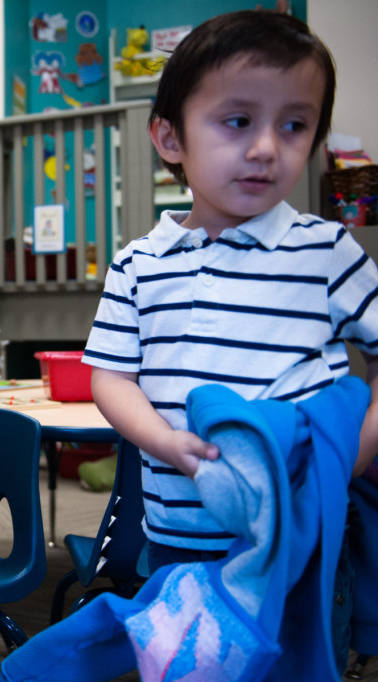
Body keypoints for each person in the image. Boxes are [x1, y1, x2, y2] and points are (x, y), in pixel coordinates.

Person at [82, 10, 378, 573]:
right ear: (171, 137)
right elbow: (112, 378)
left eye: (294, 125)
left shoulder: (326, 251)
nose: (268, 147)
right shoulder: (138, 264)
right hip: (176, 534)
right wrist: (165, 442)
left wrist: (356, 451)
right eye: (238, 120)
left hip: (301, 533)